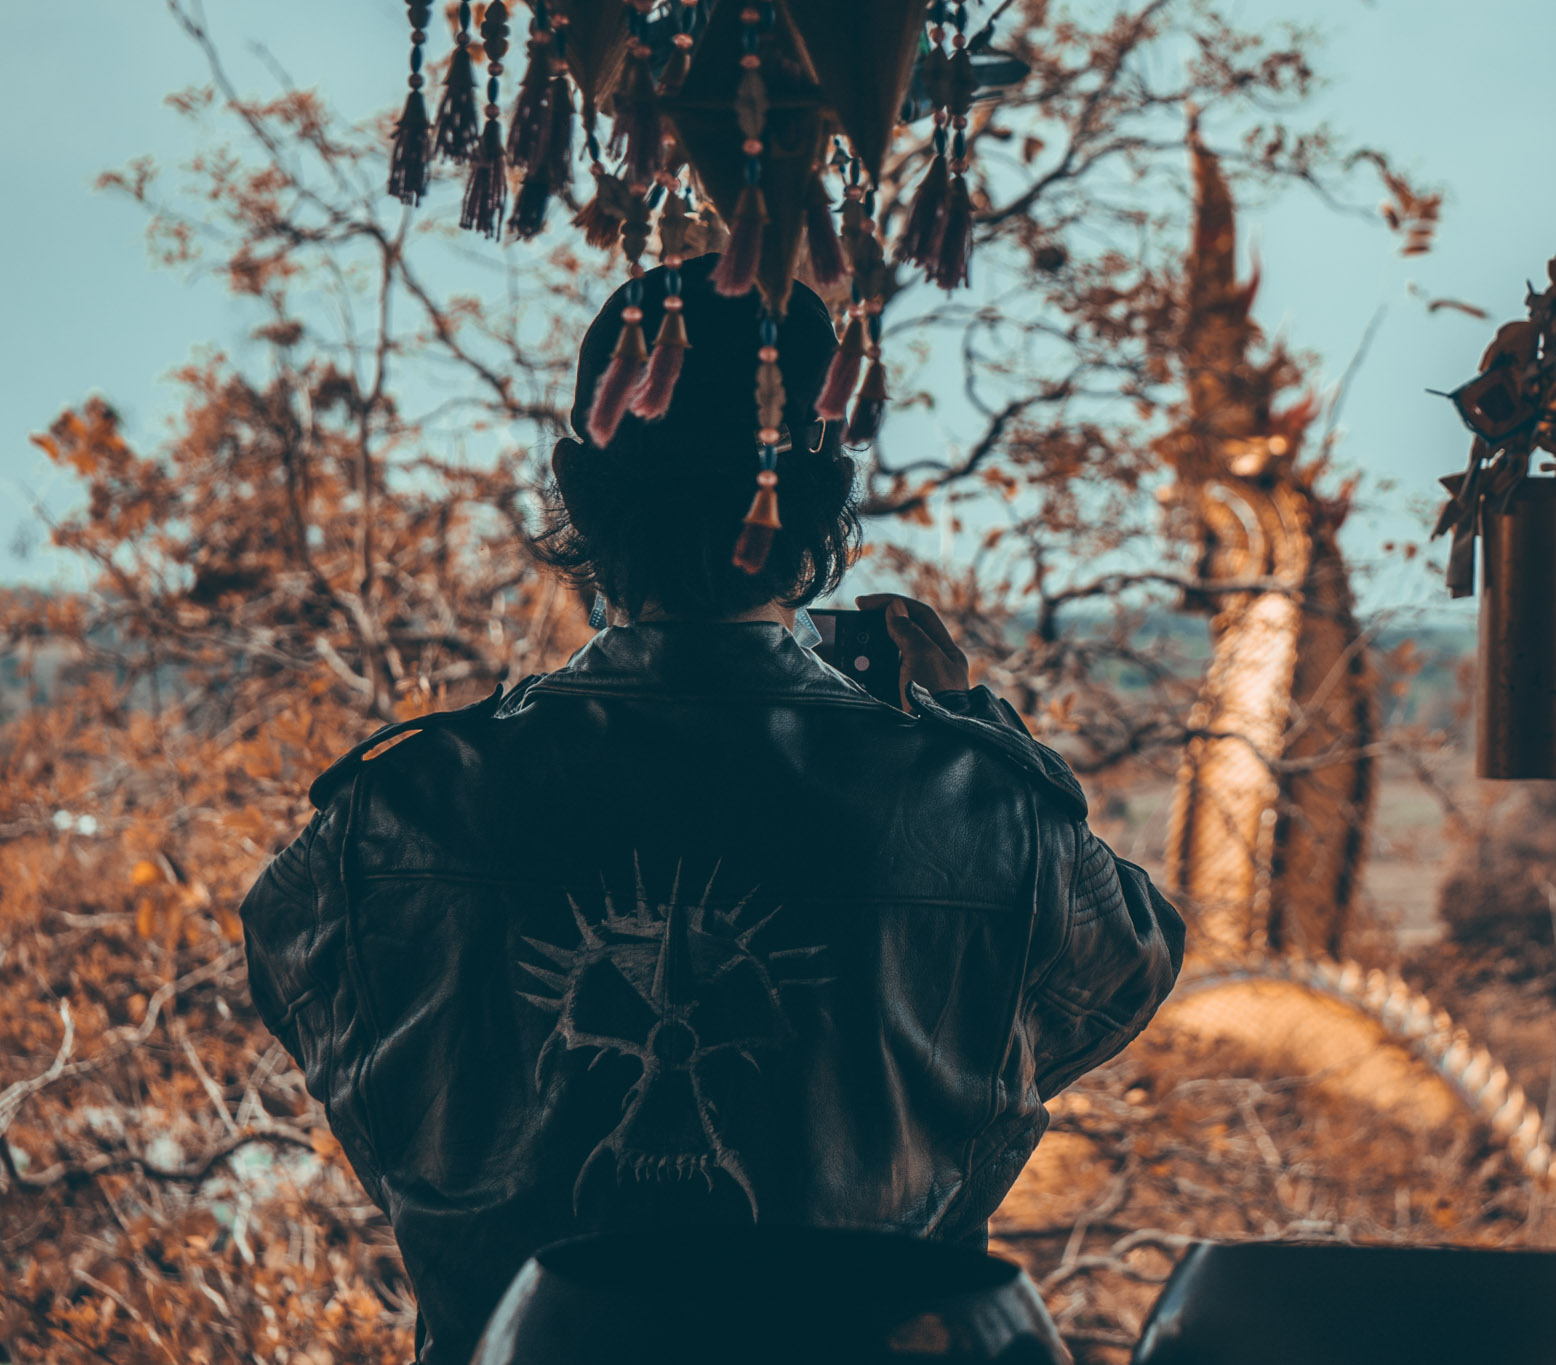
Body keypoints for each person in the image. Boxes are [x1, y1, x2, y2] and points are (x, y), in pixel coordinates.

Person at [236, 256, 1185, 1365]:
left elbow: (322, 1002)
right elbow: (1127, 960)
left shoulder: (398, 808)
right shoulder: (986, 812)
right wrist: (969, 720)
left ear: (576, 487)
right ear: (827, 498)